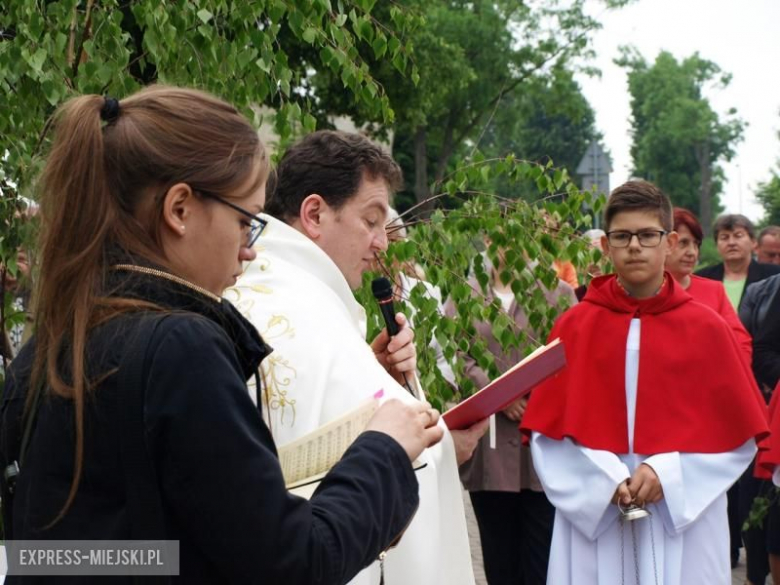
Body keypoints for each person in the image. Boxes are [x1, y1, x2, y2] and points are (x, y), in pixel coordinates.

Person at [0, 87, 445, 584]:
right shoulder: (180, 349)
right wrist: (384, 449)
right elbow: (294, 563)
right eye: (245, 222)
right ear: (180, 209)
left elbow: (55, 550)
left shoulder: (60, 336)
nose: (250, 250)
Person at [228, 129, 483, 585]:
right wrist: (447, 441)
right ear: (315, 214)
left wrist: (376, 370)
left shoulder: (265, 288)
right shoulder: (302, 312)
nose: (382, 243)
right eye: (370, 221)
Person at [521, 180, 768, 585]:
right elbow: (548, 437)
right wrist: (605, 478)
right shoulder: (575, 326)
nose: (634, 246)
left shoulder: (707, 327)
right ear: (606, 246)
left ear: (669, 242)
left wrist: (668, 474)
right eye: (622, 236)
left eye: (647, 235)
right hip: (597, 511)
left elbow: (737, 437)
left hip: (683, 515)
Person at [444, 241, 576, 585]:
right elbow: (455, 353)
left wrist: (535, 396)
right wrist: (500, 396)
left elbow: (573, 351)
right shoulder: (466, 293)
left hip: (540, 438)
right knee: (498, 555)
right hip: (489, 442)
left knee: (541, 555)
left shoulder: (556, 293)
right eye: (494, 237)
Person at [665, 207, 752, 366]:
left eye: (696, 244)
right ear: (664, 243)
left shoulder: (713, 290)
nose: (692, 252)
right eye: (683, 243)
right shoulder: (642, 291)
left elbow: (741, 344)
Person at [696, 214, 780, 311]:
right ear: (716, 245)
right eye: (724, 237)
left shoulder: (773, 275)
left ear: (753, 242)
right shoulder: (702, 278)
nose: (731, 242)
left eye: (738, 236)